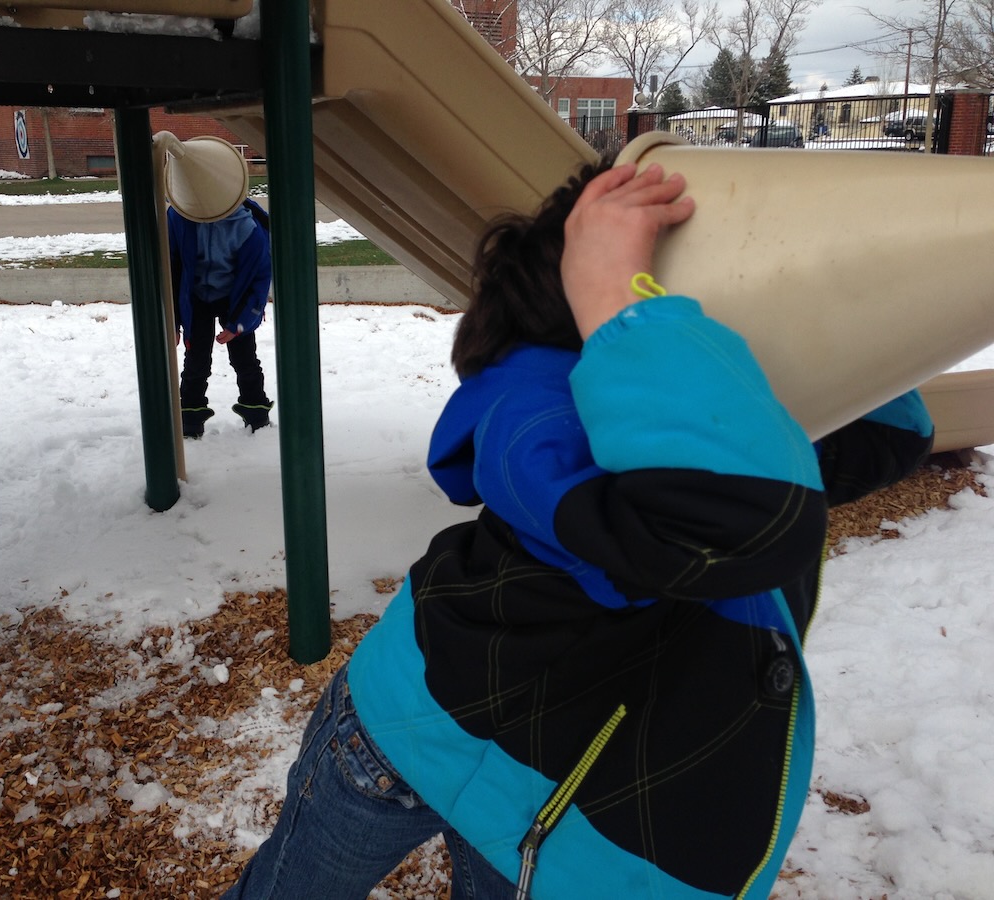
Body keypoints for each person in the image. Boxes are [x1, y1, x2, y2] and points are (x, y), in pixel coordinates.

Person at [220, 159, 933, 898]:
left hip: (546, 804)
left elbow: (891, 436)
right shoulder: (539, 412)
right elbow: (749, 524)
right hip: (407, 738)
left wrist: (830, 303)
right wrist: (613, 290)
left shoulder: (718, 426)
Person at [169, 198, 273, 439]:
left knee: (245, 359)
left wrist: (240, 323)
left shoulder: (249, 227)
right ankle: (191, 419)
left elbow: (259, 278)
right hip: (196, 297)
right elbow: (170, 268)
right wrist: (172, 320)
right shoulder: (179, 217)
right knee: (196, 360)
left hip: (234, 298)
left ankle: (256, 414)